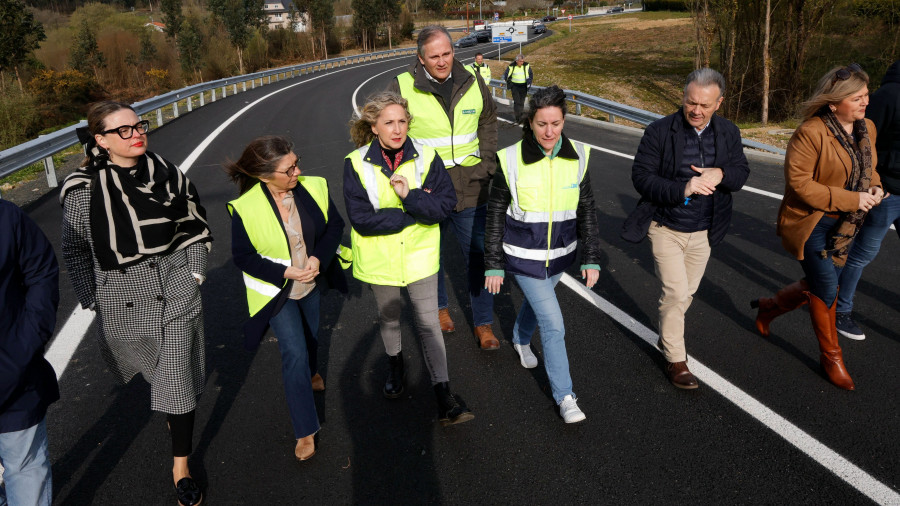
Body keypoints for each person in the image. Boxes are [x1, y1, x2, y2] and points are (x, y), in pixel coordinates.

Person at [60, 101, 212, 506]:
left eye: (138, 125)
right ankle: (173, 410)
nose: (137, 133)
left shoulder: (168, 174)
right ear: (101, 140)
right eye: (123, 130)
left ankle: (181, 465)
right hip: (123, 299)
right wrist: (92, 297)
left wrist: (195, 275)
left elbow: (196, 227)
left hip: (177, 287)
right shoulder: (82, 190)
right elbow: (75, 250)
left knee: (177, 381)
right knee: (156, 375)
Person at [343, 91, 473, 426]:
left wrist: (409, 196)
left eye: (402, 121)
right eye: (389, 122)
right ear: (374, 127)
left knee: (429, 324)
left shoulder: (428, 157)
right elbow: (361, 219)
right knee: (389, 320)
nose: (397, 129)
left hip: (420, 257)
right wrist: (414, 213)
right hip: (380, 260)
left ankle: (444, 394)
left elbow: (443, 206)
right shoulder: (355, 162)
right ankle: (396, 366)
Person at [751, 64, 883, 390]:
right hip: (811, 224)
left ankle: (769, 308)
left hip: (845, 227)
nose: (865, 102)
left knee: (816, 284)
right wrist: (853, 200)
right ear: (834, 101)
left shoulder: (868, 128)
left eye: (866, 95)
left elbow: (870, 169)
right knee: (826, 290)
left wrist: (876, 188)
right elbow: (800, 186)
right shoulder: (811, 132)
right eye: (856, 97)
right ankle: (832, 358)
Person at [621, 68, 750, 390]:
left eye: (704, 105)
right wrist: (685, 188)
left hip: (706, 229)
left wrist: (721, 173)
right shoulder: (659, 131)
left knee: (685, 294)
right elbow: (642, 178)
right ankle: (676, 359)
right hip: (666, 225)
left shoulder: (729, 133)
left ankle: (669, 332)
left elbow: (741, 171)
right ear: (683, 97)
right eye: (690, 102)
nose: (696, 110)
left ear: (718, 103)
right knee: (676, 292)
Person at [225, 136, 347, 462]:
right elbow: (243, 256)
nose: (298, 171)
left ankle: (311, 372)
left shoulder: (314, 187)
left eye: (296, 161)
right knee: (293, 352)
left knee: (311, 337)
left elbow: (334, 226)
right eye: (289, 168)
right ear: (265, 175)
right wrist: (286, 272)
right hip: (277, 292)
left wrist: (318, 259)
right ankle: (305, 429)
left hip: (311, 283)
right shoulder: (246, 208)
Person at [484, 85, 601, 423]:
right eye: (541, 124)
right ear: (529, 123)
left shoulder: (578, 156)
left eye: (556, 123)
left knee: (540, 305)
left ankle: (520, 339)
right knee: (553, 323)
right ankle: (565, 396)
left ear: (564, 121)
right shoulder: (510, 159)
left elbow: (588, 210)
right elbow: (494, 214)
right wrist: (493, 265)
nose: (549, 132)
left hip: (560, 255)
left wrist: (590, 256)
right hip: (522, 256)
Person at [388, 25, 500, 351]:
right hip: (428, 188)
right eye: (434, 56)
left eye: (447, 53)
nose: (442, 61)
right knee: (430, 256)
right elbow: (390, 130)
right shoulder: (402, 86)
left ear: (454, 51)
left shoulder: (473, 80)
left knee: (477, 257)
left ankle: (483, 325)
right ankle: (439, 309)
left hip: (470, 185)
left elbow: (489, 119)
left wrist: (487, 162)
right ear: (421, 59)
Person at [833, 59, 900, 340]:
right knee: (862, 253)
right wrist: (876, 182)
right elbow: (864, 140)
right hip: (888, 192)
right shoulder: (889, 95)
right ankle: (839, 311)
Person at [0, 199, 59, 506]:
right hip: (15, 363)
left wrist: (25, 343)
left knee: (25, 470)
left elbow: (42, 274)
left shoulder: (6, 216)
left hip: (15, 374)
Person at [503, 54, 533, 122]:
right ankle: (517, 118)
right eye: (520, 61)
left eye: (523, 61)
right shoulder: (511, 66)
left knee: (521, 102)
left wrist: (529, 82)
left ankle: (521, 116)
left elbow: (531, 75)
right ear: (516, 61)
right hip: (515, 87)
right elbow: (506, 75)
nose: (522, 63)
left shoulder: (526, 66)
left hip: (523, 86)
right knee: (517, 102)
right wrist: (509, 83)